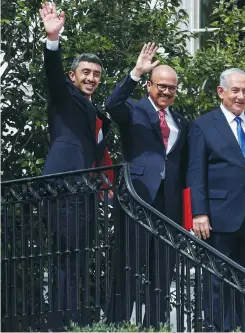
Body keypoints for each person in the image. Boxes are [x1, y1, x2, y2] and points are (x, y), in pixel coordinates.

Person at [187, 68, 245, 331]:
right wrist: (199, 212)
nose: (241, 96)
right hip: (216, 218)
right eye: (235, 90)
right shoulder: (203, 125)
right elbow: (196, 172)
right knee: (215, 281)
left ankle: (242, 328)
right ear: (221, 92)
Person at [104, 43, 189, 328]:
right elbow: (111, 104)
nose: (166, 91)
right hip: (138, 199)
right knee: (127, 266)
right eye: (161, 86)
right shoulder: (133, 109)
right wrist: (136, 72)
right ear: (150, 85)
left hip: (170, 205)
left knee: (163, 271)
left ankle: (154, 325)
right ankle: (117, 324)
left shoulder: (181, 122)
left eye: (172, 88)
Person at [39, 1, 113, 326]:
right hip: (63, 186)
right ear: (73, 75)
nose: (92, 78)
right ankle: (62, 322)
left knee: (75, 260)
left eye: (97, 74)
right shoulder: (64, 96)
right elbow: (52, 75)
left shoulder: (97, 115)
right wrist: (52, 40)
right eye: (86, 72)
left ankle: (70, 320)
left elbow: (99, 155)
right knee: (64, 259)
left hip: (84, 192)